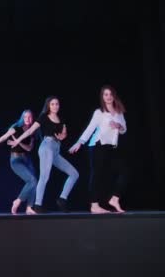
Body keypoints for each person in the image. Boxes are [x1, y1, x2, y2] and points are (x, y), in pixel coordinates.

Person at [10, 97, 79, 213]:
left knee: (74, 173)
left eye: (57, 104)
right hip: (47, 146)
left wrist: (63, 136)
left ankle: (62, 199)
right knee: (44, 177)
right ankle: (37, 205)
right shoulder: (44, 117)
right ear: (48, 106)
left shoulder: (61, 118)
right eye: (52, 104)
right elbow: (30, 131)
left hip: (56, 149)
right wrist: (18, 140)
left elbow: (63, 133)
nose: (55, 106)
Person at [69, 85, 127, 213]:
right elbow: (90, 128)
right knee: (97, 175)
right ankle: (94, 205)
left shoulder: (119, 112)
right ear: (102, 97)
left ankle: (114, 199)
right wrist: (80, 142)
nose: (108, 97)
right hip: (97, 146)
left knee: (124, 171)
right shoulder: (99, 112)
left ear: (114, 96)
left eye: (110, 94)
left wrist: (119, 126)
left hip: (111, 147)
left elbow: (124, 129)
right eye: (105, 94)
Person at [0, 110, 38, 215]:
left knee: (34, 182)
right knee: (32, 180)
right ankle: (17, 201)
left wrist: (17, 141)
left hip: (27, 159)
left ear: (32, 119)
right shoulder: (16, 128)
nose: (27, 119)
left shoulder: (32, 131)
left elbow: (29, 149)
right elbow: (4, 137)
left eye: (30, 117)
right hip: (16, 159)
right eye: (25, 117)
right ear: (22, 118)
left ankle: (29, 207)